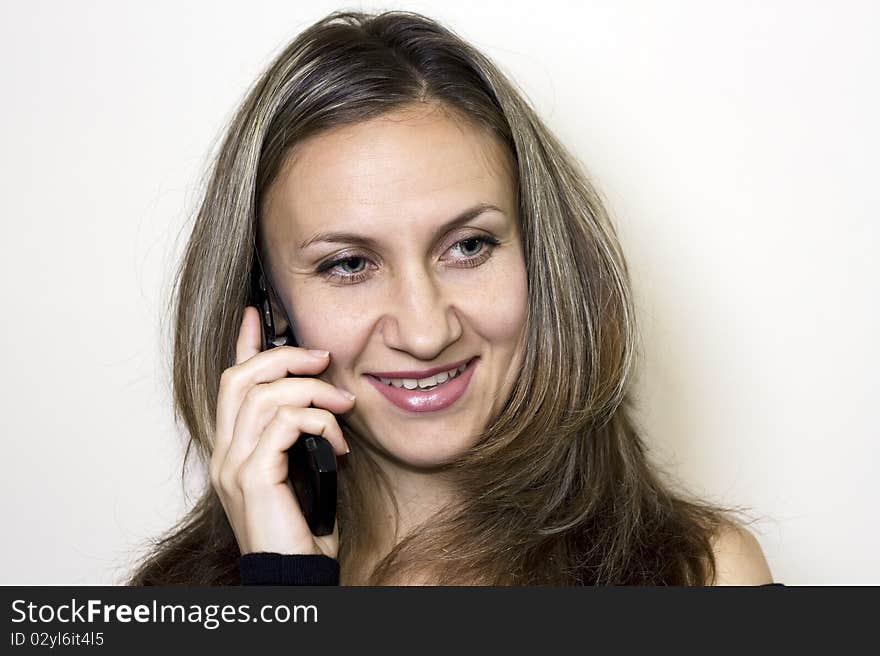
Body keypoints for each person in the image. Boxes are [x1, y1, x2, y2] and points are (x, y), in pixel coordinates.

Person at [128, 9, 775, 586]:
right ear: (266, 307)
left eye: (467, 247)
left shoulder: (702, 576)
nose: (425, 330)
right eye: (350, 263)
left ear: (542, 257)